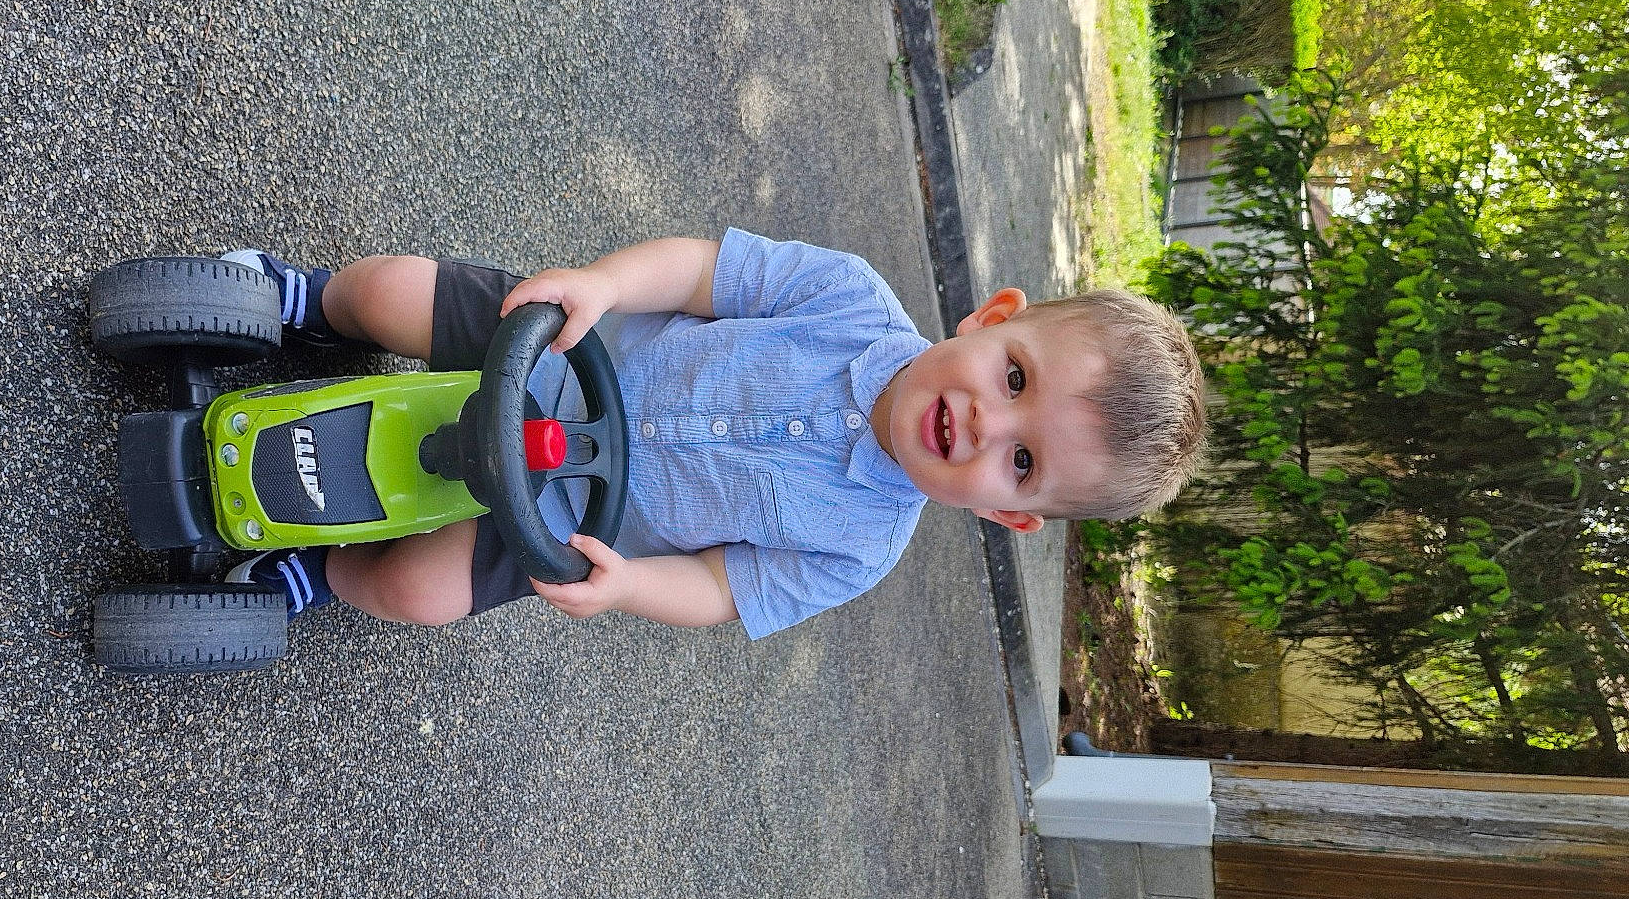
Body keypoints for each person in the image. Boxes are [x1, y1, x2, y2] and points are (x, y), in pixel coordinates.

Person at [220, 230, 1205, 640]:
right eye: (1014, 378)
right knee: (387, 289)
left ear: (1004, 511)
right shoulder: (845, 297)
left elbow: (723, 591)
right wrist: (601, 286)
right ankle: (298, 300)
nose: (985, 423)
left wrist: (624, 585)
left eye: (1020, 461)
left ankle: (315, 573)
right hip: (554, 352)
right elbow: (699, 273)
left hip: (561, 515)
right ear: (989, 322)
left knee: (417, 593)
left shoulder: (856, 549)